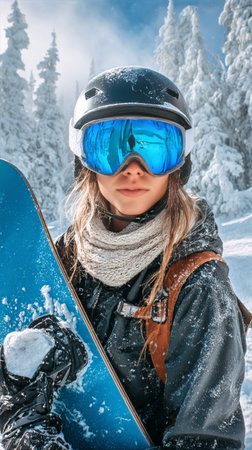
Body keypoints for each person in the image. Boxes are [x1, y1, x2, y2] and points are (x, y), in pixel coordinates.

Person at [0, 67, 247, 449]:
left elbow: (205, 440)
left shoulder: (198, 286)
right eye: (110, 146)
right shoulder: (68, 257)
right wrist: (22, 406)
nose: (132, 167)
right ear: (85, 160)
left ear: (179, 163)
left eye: (154, 147)